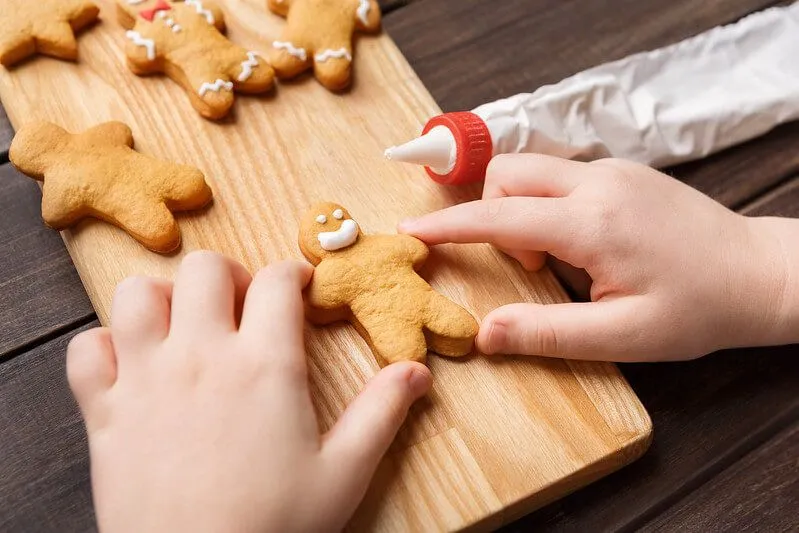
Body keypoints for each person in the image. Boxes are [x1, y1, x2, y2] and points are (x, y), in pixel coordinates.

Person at [67, 155, 798, 532]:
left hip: (420, 299)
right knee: (407, 337)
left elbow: (399, 259)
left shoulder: (381, 252)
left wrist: (765, 270)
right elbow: (324, 294)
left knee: (443, 321)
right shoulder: (340, 281)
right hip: (391, 315)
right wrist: (758, 263)